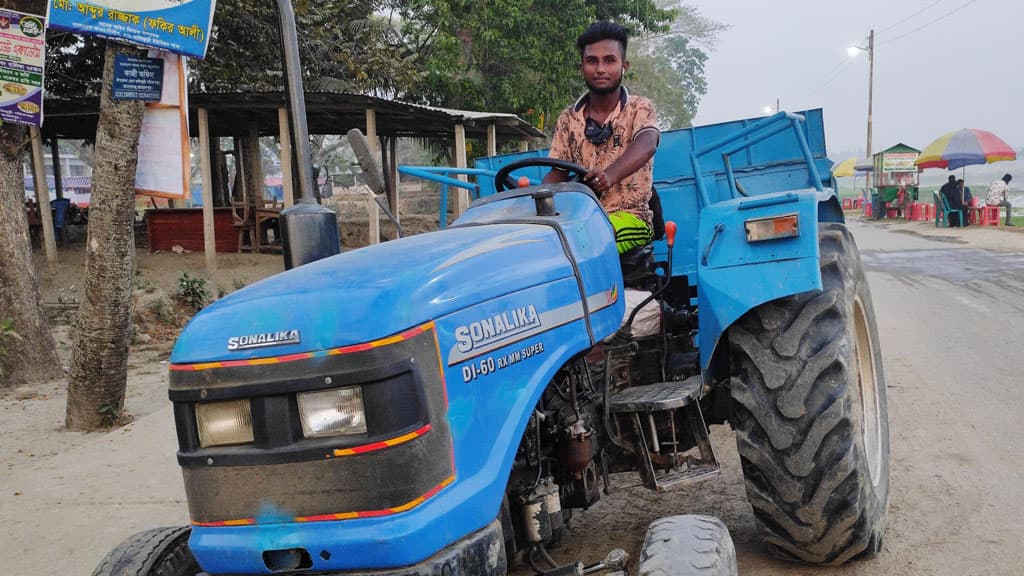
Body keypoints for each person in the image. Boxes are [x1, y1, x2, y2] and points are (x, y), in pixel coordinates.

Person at [542, 21, 660, 254]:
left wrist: (609, 175)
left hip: (630, 217)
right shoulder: (568, 118)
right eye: (592, 61)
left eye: (609, 60)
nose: (600, 69)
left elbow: (647, 143)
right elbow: (557, 172)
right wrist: (531, 199)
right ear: (582, 67)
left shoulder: (639, 108)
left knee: (589, 242)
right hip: (581, 220)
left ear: (623, 65)